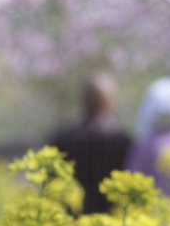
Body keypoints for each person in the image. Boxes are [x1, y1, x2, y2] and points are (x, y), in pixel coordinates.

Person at [47, 74, 132, 214]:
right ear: (110, 101)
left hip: (70, 218)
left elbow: (51, 184)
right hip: (112, 219)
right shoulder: (123, 141)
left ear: (83, 100)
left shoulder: (63, 138)